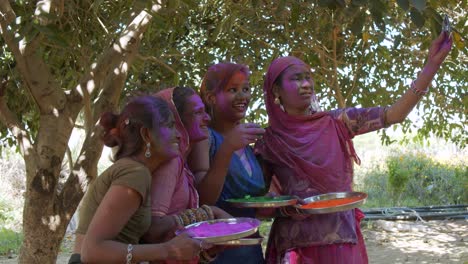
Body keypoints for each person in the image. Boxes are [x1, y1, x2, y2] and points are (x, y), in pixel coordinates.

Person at [255, 32, 453, 263]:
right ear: (276, 91)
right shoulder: (269, 141)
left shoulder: (337, 122)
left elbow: (394, 114)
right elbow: (260, 203)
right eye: (297, 78)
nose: (307, 84)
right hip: (293, 245)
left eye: (309, 77)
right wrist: (282, 205)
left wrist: (432, 65)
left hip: (339, 240)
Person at [69, 96, 209, 264]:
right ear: (146, 134)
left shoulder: (133, 170)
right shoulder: (135, 173)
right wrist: (168, 250)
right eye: (170, 126)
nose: (179, 135)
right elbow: (92, 251)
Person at [143, 87, 232, 264]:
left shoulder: (182, 162)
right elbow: (153, 229)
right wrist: (208, 213)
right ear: (176, 121)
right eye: (198, 112)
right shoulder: (170, 163)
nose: (207, 118)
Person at [195, 63, 266, 264]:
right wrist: (227, 148)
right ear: (211, 98)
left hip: (251, 251)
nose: (242, 96)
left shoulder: (248, 144)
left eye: (246, 89)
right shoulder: (205, 138)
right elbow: (203, 200)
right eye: (232, 90)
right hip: (219, 254)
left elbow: (253, 202)